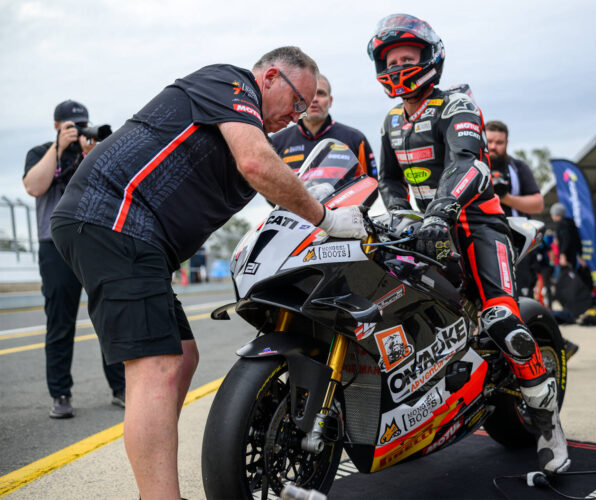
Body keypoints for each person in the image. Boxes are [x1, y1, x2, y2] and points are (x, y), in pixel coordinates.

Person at [50, 47, 367, 499]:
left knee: (182, 355)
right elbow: (256, 163)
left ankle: (152, 478)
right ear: (270, 78)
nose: (297, 116)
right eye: (297, 101)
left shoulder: (256, 135)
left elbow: (280, 179)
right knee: (157, 367)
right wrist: (327, 218)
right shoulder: (229, 82)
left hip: (137, 238)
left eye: (305, 109)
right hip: (114, 217)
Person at [367, 13, 569, 475]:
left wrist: (442, 209)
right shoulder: (392, 120)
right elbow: (389, 180)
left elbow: (470, 165)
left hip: (477, 223)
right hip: (423, 228)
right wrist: (400, 215)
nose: (398, 67)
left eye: (407, 58)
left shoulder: (455, 104)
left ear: (429, 58)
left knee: (503, 322)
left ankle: (548, 425)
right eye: (391, 61)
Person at [23, 100, 125, 419]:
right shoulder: (40, 152)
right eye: (71, 125)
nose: (78, 130)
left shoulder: (93, 151)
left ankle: (121, 388)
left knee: (109, 317)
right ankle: (61, 394)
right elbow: (34, 187)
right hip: (54, 246)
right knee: (59, 322)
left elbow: (112, 190)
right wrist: (57, 148)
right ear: (57, 126)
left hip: (93, 242)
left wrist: (90, 154)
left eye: (82, 124)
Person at [272, 74, 377, 177]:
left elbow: (371, 184)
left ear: (330, 101)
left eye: (321, 93)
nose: (314, 99)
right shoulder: (276, 143)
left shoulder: (356, 140)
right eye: (309, 94)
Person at [486, 120, 543, 299]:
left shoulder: (518, 167)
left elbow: (538, 204)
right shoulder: (471, 164)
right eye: (489, 141)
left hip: (516, 243)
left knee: (520, 298)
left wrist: (505, 197)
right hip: (483, 241)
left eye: (499, 142)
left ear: (507, 143)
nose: (493, 147)